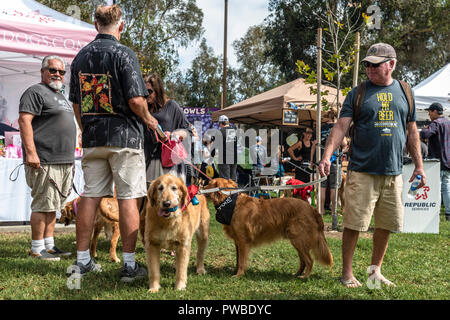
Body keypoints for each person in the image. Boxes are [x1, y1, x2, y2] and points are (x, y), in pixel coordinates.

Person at [318, 43, 425, 288]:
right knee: (354, 224)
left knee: (386, 224)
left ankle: (375, 272)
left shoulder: (406, 91)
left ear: (392, 64)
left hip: (393, 172)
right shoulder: (357, 93)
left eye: (375, 64)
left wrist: (419, 166)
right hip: (362, 171)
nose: (369, 69)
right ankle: (347, 273)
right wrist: (326, 156)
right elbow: (341, 127)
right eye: (367, 64)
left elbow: (412, 131)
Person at [68, 4, 158, 281]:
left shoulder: (80, 57)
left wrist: (86, 128)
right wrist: (149, 120)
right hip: (124, 138)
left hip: (94, 137)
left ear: (95, 25)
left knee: (90, 196)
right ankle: (129, 266)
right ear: (121, 26)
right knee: (128, 197)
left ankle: (82, 260)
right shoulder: (124, 54)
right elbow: (135, 99)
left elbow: (75, 103)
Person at [18, 55, 74, 261]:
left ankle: (49, 246)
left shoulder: (60, 95)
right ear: (42, 71)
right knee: (43, 204)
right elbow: (24, 121)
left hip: (62, 160)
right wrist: (31, 153)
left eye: (61, 71)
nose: (57, 74)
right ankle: (36, 248)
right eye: (53, 70)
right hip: (44, 159)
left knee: (53, 205)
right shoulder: (35, 92)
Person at [143, 73, 191, 185]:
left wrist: (174, 134)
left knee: (168, 198)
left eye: (149, 91)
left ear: (158, 90)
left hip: (168, 163)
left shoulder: (171, 106)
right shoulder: (144, 109)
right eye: (144, 91)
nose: (146, 95)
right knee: (150, 199)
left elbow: (188, 130)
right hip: (147, 161)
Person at [420, 102, 450, 221]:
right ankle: (448, 213)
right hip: (448, 160)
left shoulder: (436, 123)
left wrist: (423, 130)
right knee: (446, 187)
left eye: (430, 111)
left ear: (435, 111)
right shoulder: (448, 122)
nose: (429, 114)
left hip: (438, 160)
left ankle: (435, 213)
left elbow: (426, 134)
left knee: (436, 187)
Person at [319, 110, 348, 231]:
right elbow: (345, 144)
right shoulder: (337, 127)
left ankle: (320, 210)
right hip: (335, 161)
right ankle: (333, 211)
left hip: (322, 160)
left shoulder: (321, 128)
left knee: (322, 186)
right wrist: (342, 152)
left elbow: (316, 143)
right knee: (334, 188)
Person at [215, 115, 238, 181]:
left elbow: (215, 145)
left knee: (224, 180)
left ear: (221, 123)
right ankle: (234, 191)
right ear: (228, 122)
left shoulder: (220, 132)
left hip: (224, 159)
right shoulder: (234, 132)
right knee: (233, 179)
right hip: (234, 158)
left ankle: (225, 191)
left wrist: (212, 154)